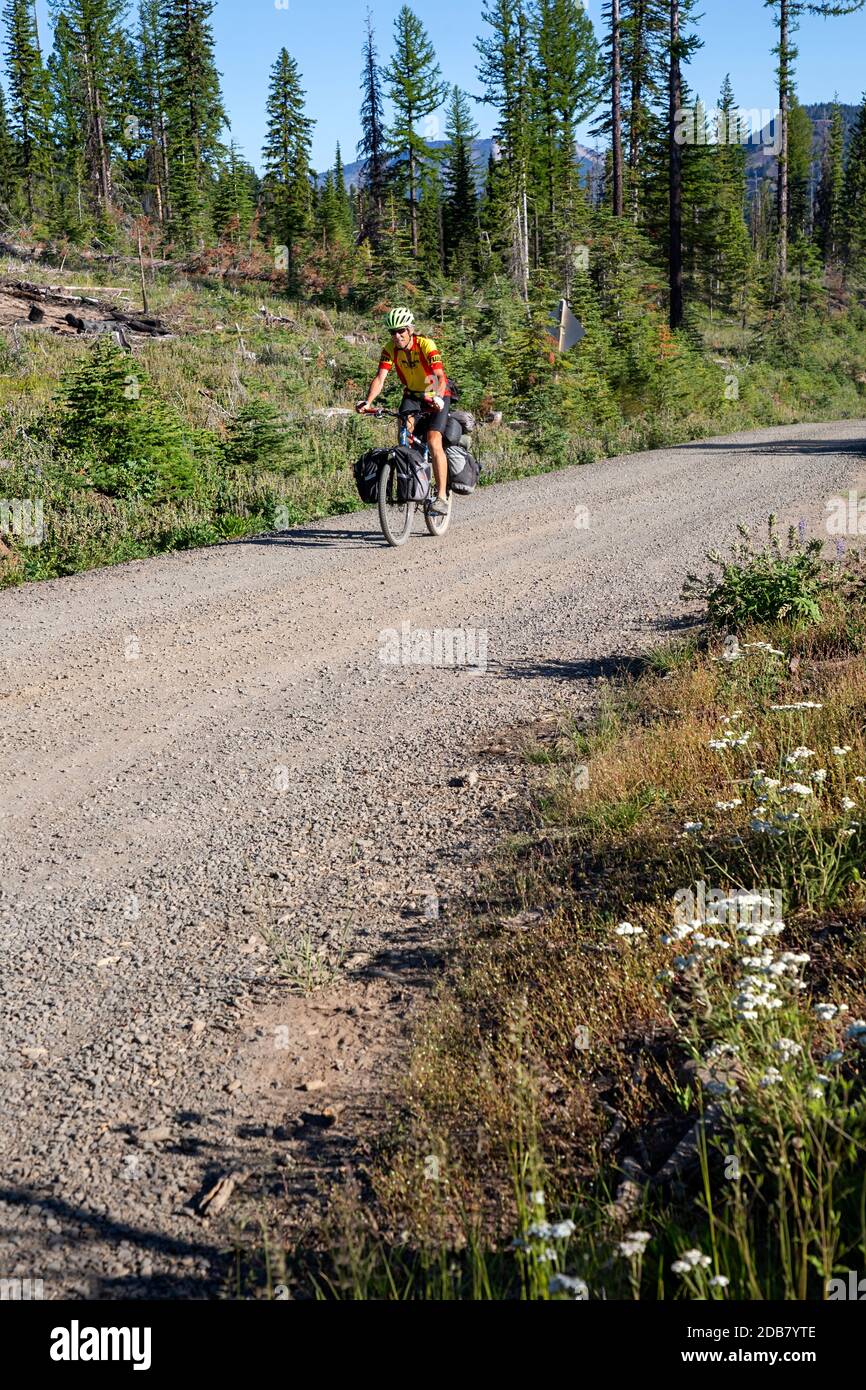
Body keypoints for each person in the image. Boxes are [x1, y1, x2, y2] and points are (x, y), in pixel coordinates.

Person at [356, 307, 451, 516]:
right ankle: (412, 479)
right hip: (412, 394)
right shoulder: (390, 348)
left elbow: (439, 376)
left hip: (432, 388)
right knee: (403, 437)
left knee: (434, 440)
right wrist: (368, 401)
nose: (396, 336)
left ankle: (442, 497)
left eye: (401, 331)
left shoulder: (426, 344)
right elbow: (380, 378)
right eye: (392, 332)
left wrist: (437, 396)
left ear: (410, 330)